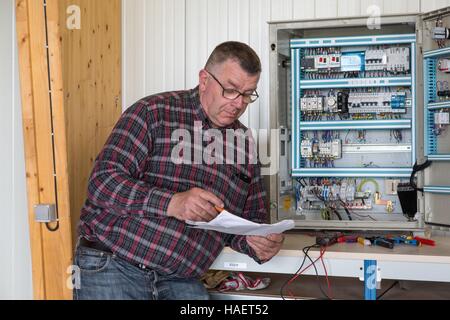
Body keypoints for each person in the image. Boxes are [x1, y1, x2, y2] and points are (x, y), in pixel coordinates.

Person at [73, 41, 285, 300]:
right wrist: (172, 203)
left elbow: (248, 220)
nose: (238, 103)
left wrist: (258, 241)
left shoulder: (243, 142)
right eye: (231, 90)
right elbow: (103, 183)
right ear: (204, 79)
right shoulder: (153, 112)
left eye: (248, 94)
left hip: (180, 279)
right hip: (116, 266)